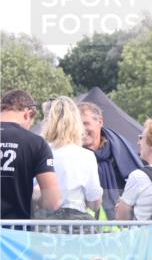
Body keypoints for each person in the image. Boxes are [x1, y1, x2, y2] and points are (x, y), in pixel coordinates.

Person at [0, 90, 60, 218]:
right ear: (28, 114)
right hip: (15, 232)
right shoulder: (36, 143)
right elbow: (53, 201)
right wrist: (37, 199)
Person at [78, 102, 143, 219]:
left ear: (100, 122)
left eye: (85, 123)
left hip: (118, 228)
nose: (81, 129)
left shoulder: (121, 150)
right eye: (77, 124)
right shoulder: (72, 155)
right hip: (83, 226)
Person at [39, 97, 102, 217]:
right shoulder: (86, 156)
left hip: (42, 222)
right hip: (75, 224)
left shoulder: (38, 151)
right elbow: (94, 203)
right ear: (76, 122)